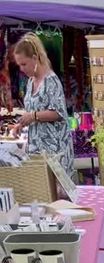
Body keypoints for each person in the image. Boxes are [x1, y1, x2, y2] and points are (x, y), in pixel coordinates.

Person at [12, 33, 75, 180]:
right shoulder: (30, 82)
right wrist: (21, 124)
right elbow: (32, 112)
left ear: (35, 58)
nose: (21, 69)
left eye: (23, 64)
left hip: (55, 151)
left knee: (57, 197)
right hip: (38, 151)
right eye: (19, 65)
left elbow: (59, 113)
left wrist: (33, 116)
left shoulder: (51, 81)